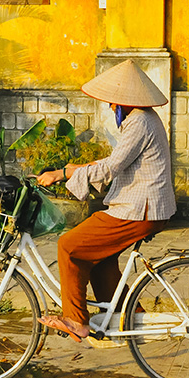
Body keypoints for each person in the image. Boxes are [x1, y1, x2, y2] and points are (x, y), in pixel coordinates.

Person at [36, 59, 176, 342]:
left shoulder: (138, 122)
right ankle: (130, 319)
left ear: (123, 101)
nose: (111, 108)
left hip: (140, 209)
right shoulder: (144, 119)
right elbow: (116, 162)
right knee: (100, 262)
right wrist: (75, 170)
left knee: (69, 246)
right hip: (143, 207)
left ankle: (76, 320)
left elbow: (111, 167)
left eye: (113, 103)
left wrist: (63, 173)